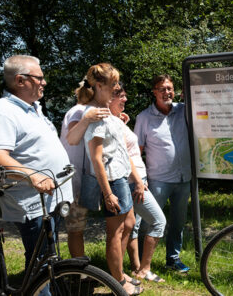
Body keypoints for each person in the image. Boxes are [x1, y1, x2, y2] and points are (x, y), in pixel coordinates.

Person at [0, 55, 73, 269]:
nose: (44, 82)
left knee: (48, 257)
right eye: (39, 78)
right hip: (32, 201)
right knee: (40, 261)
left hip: (49, 198)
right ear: (20, 80)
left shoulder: (32, 108)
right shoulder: (2, 111)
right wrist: (33, 175)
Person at [79, 63, 143, 295]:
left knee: (128, 224)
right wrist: (107, 193)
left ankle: (119, 273)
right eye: (113, 83)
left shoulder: (107, 113)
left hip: (122, 178)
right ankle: (117, 282)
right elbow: (97, 159)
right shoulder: (95, 117)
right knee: (115, 233)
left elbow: (118, 147)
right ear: (99, 86)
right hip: (112, 182)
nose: (117, 88)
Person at [134, 74, 192, 272]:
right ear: (154, 92)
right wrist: (139, 180)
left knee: (178, 223)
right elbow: (136, 152)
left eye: (169, 88)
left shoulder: (184, 110)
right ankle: (142, 262)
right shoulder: (144, 118)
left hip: (184, 178)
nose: (167, 92)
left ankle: (173, 260)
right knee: (148, 222)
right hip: (158, 180)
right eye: (162, 89)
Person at [109, 84, 167, 282]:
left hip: (136, 179)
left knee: (131, 226)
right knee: (159, 221)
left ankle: (132, 268)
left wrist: (123, 121)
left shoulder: (117, 121)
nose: (125, 100)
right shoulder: (110, 122)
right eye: (121, 97)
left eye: (125, 96)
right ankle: (144, 269)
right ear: (109, 99)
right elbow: (125, 156)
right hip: (133, 181)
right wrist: (138, 183)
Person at [60, 79, 110, 258]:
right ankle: (78, 273)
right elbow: (72, 137)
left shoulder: (83, 110)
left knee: (77, 227)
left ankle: (79, 270)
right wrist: (87, 118)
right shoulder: (79, 111)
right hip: (74, 180)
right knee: (75, 228)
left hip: (78, 178)